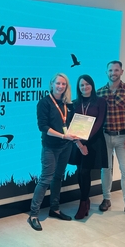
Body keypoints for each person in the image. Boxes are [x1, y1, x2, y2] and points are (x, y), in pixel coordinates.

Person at [27, 73, 78, 231]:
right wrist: (63, 135)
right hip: (50, 146)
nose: (60, 86)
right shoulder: (44, 102)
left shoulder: (68, 104)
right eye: (58, 83)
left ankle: (54, 209)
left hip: (66, 146)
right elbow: (43, 127)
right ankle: (33, 215)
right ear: (52, 84)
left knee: (58, 178)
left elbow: (71, 124)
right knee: (45, 179)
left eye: (64, 84)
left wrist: (76, 136)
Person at [97, 60, 125, 220]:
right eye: (110, 70)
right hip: (105, 136)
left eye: (116, 70)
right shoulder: (100, 92)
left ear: (121, 72)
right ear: (106, 72)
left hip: (124, 137)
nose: (113, 73)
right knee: (106, 170)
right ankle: (106, 199)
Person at [69, 75, 108, 219]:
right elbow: (70, 126)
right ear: (78, 88)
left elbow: (99, 124)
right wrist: (79, 144)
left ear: (92, 85)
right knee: (80, 172)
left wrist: (84, 143)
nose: (84, 87)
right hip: (78, 143)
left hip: (93, 143)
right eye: (81, 85)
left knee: (85, 172)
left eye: (87, 84)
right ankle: (85, 201)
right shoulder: (74, 103)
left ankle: (83, 202)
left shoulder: (100, 101)